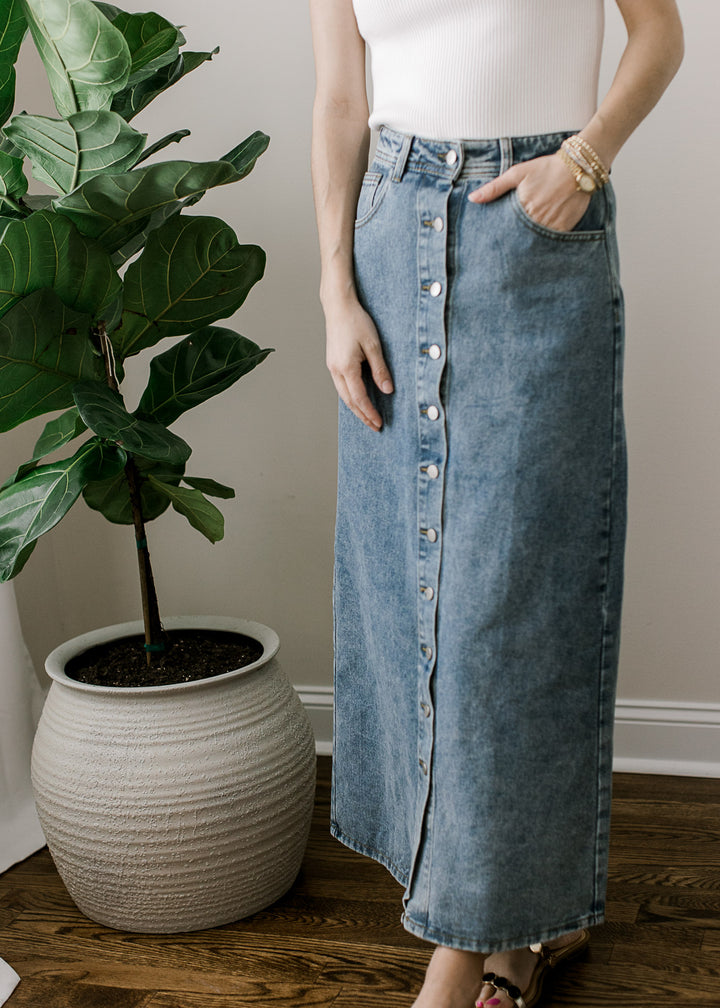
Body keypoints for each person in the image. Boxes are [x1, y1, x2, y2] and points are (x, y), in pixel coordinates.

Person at [309, 2, 684, 1006]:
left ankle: (460, 956)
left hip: (532, 229)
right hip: (389, 232)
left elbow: (662, 37)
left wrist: (587, 159)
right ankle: (522, 931)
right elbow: (342, 99)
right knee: (408, 588)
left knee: (512, 599)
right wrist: (334, 291)